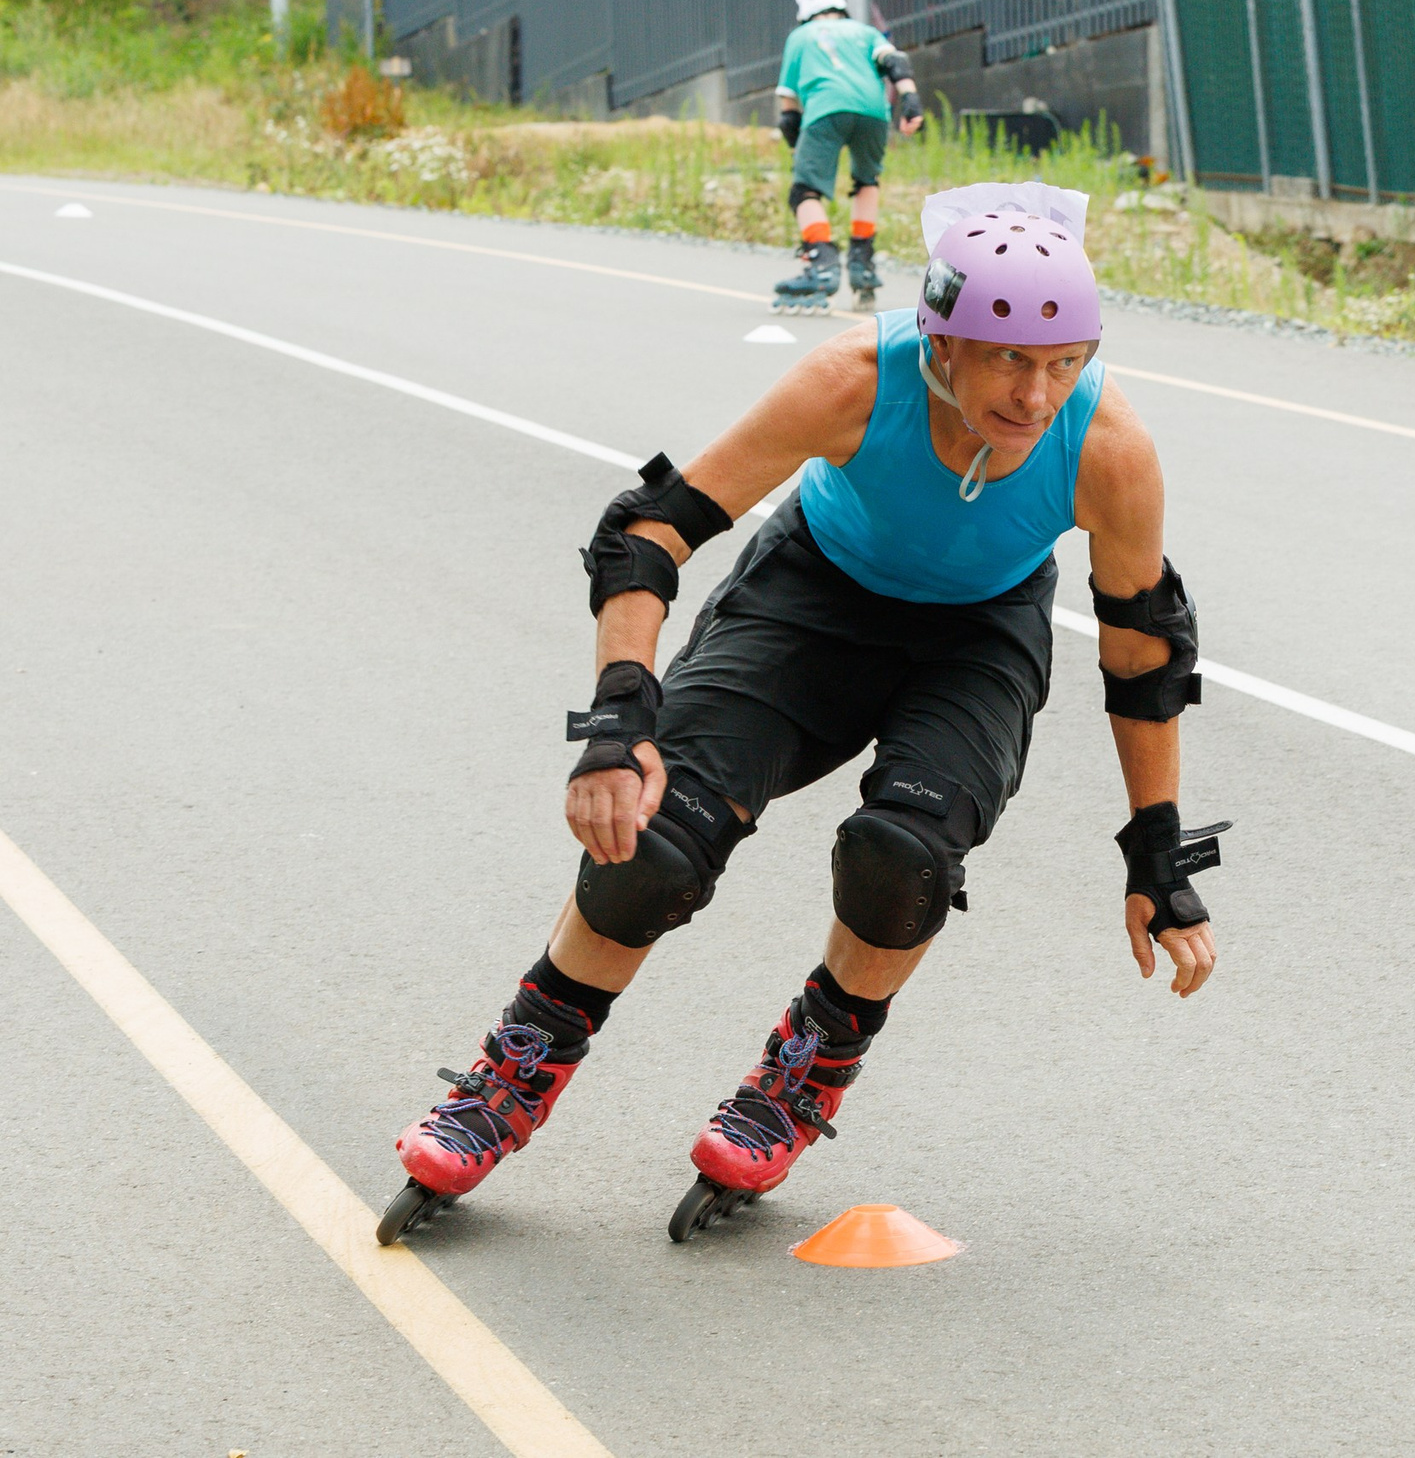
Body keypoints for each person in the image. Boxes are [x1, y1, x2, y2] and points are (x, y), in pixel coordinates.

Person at [380, 183, 1229, 1246]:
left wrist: (1160, 852)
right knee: (655, 844)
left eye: (1064, 362)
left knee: (903, 856)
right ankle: (514, 1070)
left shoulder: (1108, 447)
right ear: (942, 342)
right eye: (1008, 359)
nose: (1035, 393)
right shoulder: (850, 382)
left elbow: (1146, 653)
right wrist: (614, 719)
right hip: (811, 598)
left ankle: (807, 1067)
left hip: (977, 637)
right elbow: (644, 531)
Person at [771, 0, 927, 311]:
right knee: (866, 180)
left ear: (806, 15)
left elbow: (788, 109)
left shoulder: (799, 38)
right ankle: (862, 264)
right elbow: (894, 62)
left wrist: (796, 146)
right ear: (841, 9)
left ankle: (822, 263)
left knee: (804, 192)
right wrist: (911, 99)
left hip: (826, 110)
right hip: (874, 113)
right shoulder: (865, 32)